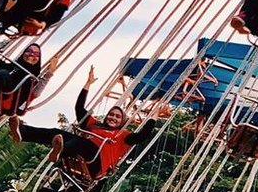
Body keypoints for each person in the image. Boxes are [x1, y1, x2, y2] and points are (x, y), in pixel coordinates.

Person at [9, 70, 157, 183]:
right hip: (81, 152)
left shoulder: (123, 136)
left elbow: (142, 136)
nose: (113, 117)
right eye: (111, 114)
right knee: (57, 132)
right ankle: (22, 133)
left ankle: (60, 151)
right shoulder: (94, 125)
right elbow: (79, 108)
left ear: (122, 122)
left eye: (117, 117)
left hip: (96, 163)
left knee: (81, 142)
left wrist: (154, 115)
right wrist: (87, 84)